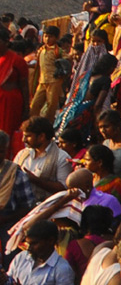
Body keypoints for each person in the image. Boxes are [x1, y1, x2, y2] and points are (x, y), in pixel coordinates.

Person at [10, 220, 73, 285]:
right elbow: (9, 281)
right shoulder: (21, 258)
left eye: (34, 244)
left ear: (50, 241)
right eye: (28, 244)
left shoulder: (62, 268)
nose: (29, 248)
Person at [15, 119, 70, 202]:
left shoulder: (61, 157)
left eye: (28, 136)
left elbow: (64, 188)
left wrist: (35, 180)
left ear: (41, 137)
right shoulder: (22, 154)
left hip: (46, 208)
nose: (24, 140)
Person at [0, 28, 31, 158]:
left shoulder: (17, 61)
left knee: (7, 132)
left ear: (6, 42)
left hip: (10, 102)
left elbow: (24, 86)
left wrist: (26, 109)